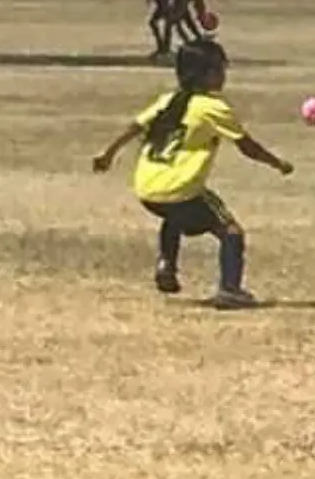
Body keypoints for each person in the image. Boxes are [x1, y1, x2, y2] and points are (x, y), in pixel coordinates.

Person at [90, 39, 292, 309]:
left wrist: (108, 154)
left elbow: (135, 126)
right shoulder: (213, 107)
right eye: (220, 69)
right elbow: (247, 147)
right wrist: (277, 163)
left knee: (173, 216)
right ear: (208, 74)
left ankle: (167, 265)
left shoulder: (169, 100)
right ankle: (230, 290)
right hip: (182, 188)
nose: (223, 76)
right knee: (231, 231)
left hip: (148, 189)